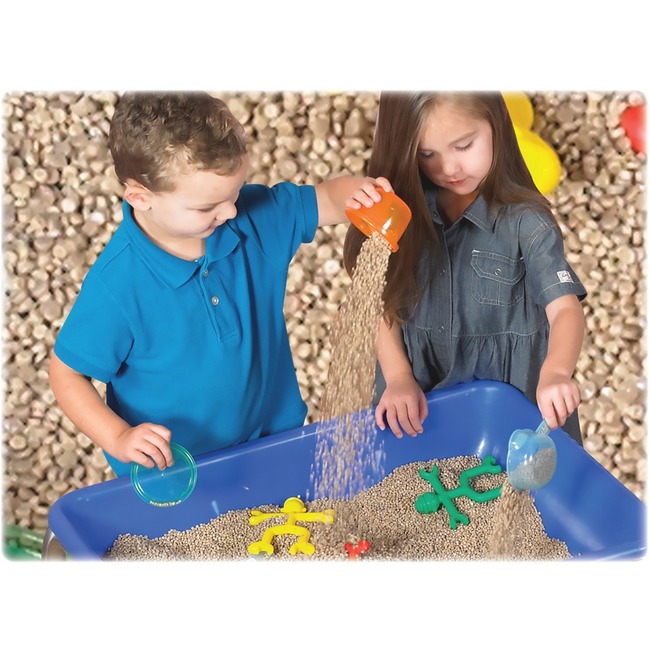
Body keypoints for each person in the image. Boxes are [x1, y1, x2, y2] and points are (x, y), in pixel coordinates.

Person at [49, 91, 392, 477]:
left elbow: (326, 199)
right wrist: (118, 437)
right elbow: (67, 374)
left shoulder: (251, 218)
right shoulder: (118, 286)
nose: (229, 212)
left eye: (235, 193)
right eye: (206, 207)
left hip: (270, 441)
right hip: (176, 469)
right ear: (141, 198)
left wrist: (359, 195)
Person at [344, 92, 586, 444]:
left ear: (496, 124)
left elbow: (564, 308)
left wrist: (557, 372)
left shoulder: (526, 222)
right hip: (416, 406)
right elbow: (381, 301)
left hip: (513, 413)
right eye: (427, 154)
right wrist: (397, 377)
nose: (448, 169)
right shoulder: (400, 214)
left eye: (463, 146)